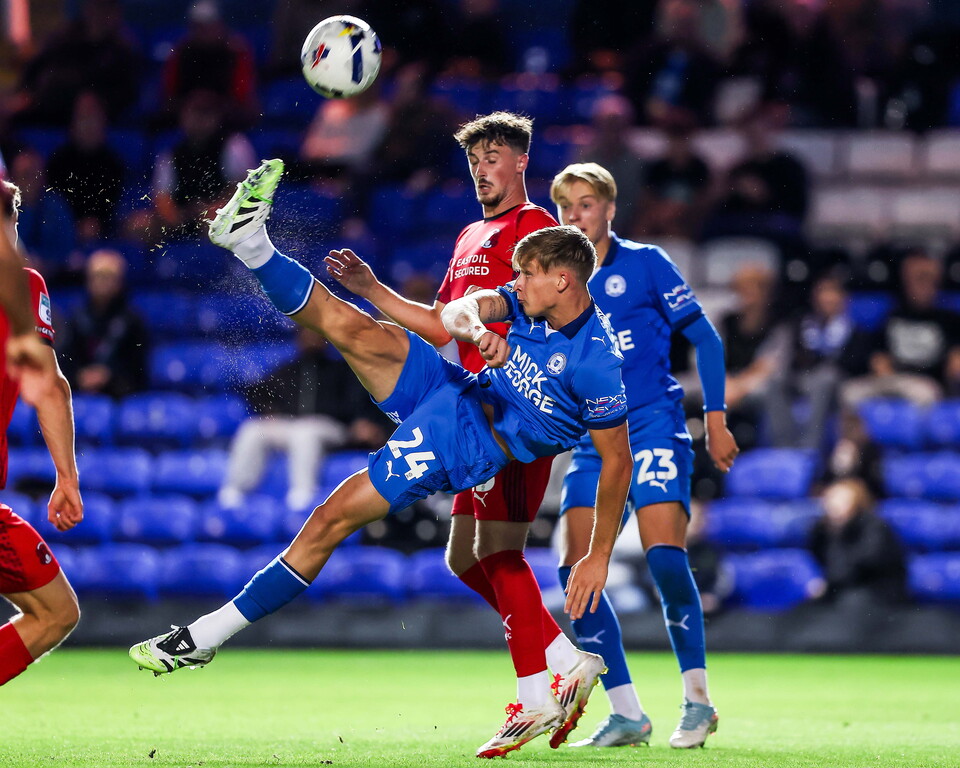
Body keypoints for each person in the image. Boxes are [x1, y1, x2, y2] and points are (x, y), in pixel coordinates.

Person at [129, 160, 634, 759]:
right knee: (362, 331)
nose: (516, 283)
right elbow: (458, 314)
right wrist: (478, 331)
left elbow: (616, 461)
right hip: (458, 393)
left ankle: (205, 636)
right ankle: (252, 243)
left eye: (527, 276)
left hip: (468, 444)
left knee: (332, 517)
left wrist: (597, 556)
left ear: (565, 283)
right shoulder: (526, 301)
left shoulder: (596, 360)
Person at [317, 112, 602, 754]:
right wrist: (371, 291)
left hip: (509, 414)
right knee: (462, 558)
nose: (481, 167)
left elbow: (548, 312)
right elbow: (441, 323)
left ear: (522, 162)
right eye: (474, 158)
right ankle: (564, 657)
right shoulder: (471, 233)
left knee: (498, 555)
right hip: (470, 413)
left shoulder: (534, 229)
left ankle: (535, 694)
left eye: (493, 155)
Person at [549, 162, 737, 749]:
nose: (574, 215)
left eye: (585, 204)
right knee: (572, 567)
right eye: (565, 207)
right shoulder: (555, 280)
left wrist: (715, 420)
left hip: (654, 425)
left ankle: (698, 700)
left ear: (609, 209)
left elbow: (704, 336)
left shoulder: (647, 263)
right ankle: (627, 712)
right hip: (593, 440)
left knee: (663, 559)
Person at [0, 179, 85, 687]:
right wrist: (67, 477)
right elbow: (50, 388)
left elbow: (50, 389)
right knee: (55, 613)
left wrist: (67, 476)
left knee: (55, 610)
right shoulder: (22, 288)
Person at [219, 327, 391, 512]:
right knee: (253, 429)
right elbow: (256, 392)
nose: (311, 339)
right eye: (306, 334)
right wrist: (269, 410)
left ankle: (302, 491)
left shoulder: (342, 370)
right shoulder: (289, 369)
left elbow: (361, 402)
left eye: (316, 335)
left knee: (305, 432)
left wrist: (360, 421)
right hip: (290, 426)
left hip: (333, 427)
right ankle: (235, 490)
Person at [764, 271, 872, 451]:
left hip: (841, 385)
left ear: (844, 298)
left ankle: (810, 448)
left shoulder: (856, 331)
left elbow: (855, 364)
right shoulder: (801, 324)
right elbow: (795, 358)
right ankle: (783, 446)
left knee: (825, 378)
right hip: (805, 378)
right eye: (823, 292)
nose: (828, 298)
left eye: (833, 292)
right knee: (775, 381)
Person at [841, 250, 960, 408]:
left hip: (925, 383)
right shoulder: (892, 315)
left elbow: (955, 358)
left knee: (924, 395)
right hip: (891, 379)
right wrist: (878, 361)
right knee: (849, 392)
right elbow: (877, 353)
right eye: (917, 280)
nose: (923, 287)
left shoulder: (948, 320)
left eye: (928, 280)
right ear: (906, 282)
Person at [58, 249, 148, 399]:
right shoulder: (76, 318)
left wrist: (109, 376)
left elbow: (139, 370)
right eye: (97, 276)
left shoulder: (133, 321)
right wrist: (80, 376)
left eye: (108, 277)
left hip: (120, 398)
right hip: (78, 394)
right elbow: (65, 361)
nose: (102, 282)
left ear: (120, 282)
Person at [808, 478, 907, 607]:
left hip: (876, 590)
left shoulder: (874, 527)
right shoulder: (821, 529)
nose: (835, 504)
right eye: (831, 499)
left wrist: (829, 583)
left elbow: (865, 563)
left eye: (842, 500)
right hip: (841, 588)